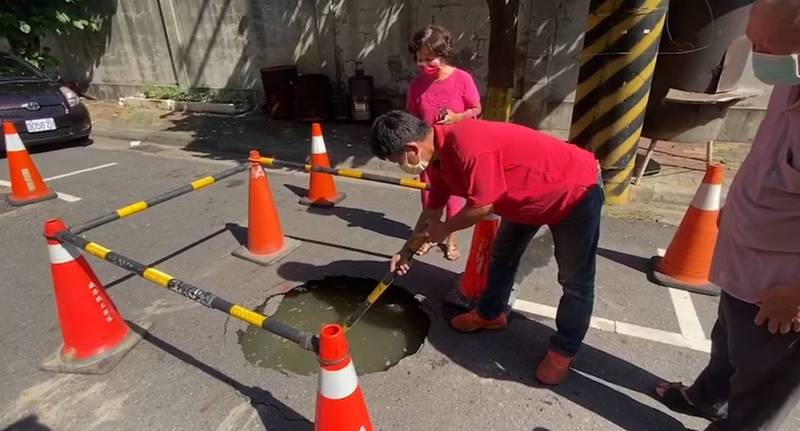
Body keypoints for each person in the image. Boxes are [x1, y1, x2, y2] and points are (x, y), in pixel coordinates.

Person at [369, 111, 603, 385]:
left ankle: (563, 351)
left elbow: (481, 206)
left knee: (575, 281)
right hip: (523, 198)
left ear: (411, 148)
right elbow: (432, 211)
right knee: (502, 255)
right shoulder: (436, 158)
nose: (400, 166)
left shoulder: (467, 145)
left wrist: (443, 231)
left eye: (397, 161)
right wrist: (406, 250)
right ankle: (491, 315)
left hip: (573, 192)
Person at [654, 1, 800, 430]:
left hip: (780, 290)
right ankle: (707, 398)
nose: (757, 53)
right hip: (744, 261)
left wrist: (795, 295)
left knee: (760, 389)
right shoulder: (789, 79)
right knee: (728, 345)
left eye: (765, 43)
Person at [405, 25, 482, 261]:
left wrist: (457, 117)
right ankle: (428, 237)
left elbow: (476, 108)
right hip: (429, 152)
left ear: (443, 55)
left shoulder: (462, 79)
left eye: (430, 59)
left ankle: (452, 240)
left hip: (458, 151)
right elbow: (412, 118)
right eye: (420, 59)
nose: (425, 64)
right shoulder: (416, 86)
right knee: (430, 197)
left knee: (456, 198)